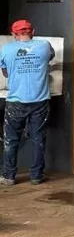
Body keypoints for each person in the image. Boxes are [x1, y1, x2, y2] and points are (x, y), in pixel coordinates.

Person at [0, 20, 54, 186]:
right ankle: (36, 176)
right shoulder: (45, 45)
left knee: (11, 140)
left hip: (16, 101)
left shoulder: (6, 49)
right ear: (33, 32)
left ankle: (9, 176)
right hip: (40, 100)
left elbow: (6, 73)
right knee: (38, 139)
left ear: (13, 34)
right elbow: (50, 58)